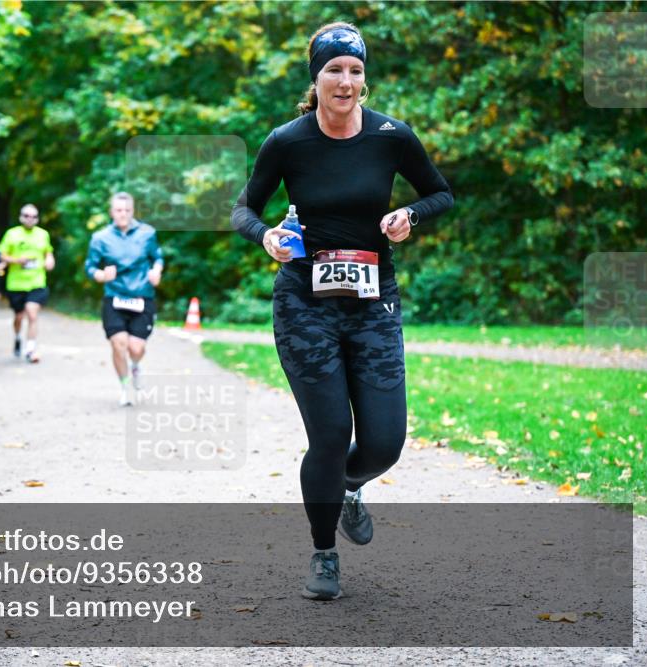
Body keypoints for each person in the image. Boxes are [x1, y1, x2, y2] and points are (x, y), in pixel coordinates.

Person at [231, 21, 453, 601]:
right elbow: (244, 209)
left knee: (383, 443)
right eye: (334, 69)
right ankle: (324, 553)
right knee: (330, 436)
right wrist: (266, 236)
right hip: (304, 305)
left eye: (355, 70)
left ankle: (348, 486)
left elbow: (441, 192)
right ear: (317, 77)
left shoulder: (391, 136)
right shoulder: (288, 141)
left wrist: (409, 215)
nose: (346, 81)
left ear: (364, 78)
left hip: (373, 303)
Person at [85, 192, 164, 406]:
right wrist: (100, 275)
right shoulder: (100, 238)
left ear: (133, 211)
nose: (123, 214)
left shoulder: (147, 233)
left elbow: (157, 257)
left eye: (127, 210)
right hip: (115, 296)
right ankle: (125, 385)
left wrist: (156, 270)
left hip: (142, 295)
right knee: (118, 343)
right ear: (112, 212)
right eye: (119, 210)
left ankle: (135, 366)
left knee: (136, 348)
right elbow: (90, 266)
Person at [0, 204, 55, 363]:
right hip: (16, 284)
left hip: (37, 281)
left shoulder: (43, 234)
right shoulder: (12, 234)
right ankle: (17, 337)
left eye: (34, 216)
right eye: (27, 216)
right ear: (21, 217)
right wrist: (17, 260)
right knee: (18, 317)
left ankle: (30, 349)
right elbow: (2, 255)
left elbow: (48, 253)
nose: (30, 219)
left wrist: (50, 261)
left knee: (32, 313)